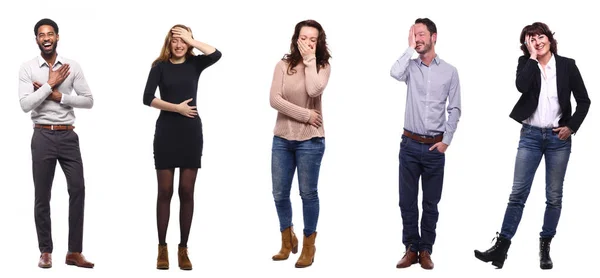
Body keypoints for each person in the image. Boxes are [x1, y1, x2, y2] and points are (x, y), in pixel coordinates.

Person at [474, 22, 591, 270]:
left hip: (558, 140)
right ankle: (501, 249)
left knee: (554, 196)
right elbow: (521, 87)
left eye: (540, 37)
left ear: (549, 38)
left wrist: (571, 126)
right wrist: (531, 58)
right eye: (531, 39)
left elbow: (584, 100)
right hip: (530, 136)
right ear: (527, 45)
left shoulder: (567, 65)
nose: (537, 42)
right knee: (518, 194)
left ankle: (545, 246)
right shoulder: (525, 64)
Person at [142, 24, 221, 270]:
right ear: (168, 42)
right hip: (166, 132)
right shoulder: (160, 67)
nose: (178, 45)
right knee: (165, 191)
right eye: (174, 40)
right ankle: (162, 248)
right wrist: (176, 108)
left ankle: (183, 248)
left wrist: (192, 40)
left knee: (186, 191)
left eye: (183, 41)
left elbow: (216, 54)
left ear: (189, 43)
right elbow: (147, 97)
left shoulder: (195, 64)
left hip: (190, 133)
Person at [18, 18, 95, 269]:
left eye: (50, 33)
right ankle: (45, 251)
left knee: (78, 189)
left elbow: (88, 101)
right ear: (37, 39)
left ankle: (74, 251)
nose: (46, 38)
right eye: (42, 35)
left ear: (58, 37)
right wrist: (50, 84)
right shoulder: (28, 68)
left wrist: (60, 96)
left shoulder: (73, 66)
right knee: (42, 195)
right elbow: (25, 105)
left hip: (68, 135)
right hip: (42, 136)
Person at [390, 18, 461, 270]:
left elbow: (455, 108)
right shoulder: (409, 67)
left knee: (430, 203)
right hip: (409, 144)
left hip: (434, 148)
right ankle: (410, 248)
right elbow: (393, 72)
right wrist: (409, 48)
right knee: (406, 201)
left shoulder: (450, 71)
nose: (418, 39)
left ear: (434, 37)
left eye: (421, 35)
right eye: (414, 35)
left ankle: (426, 250)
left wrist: (446, 141)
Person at [269, 19, 331, 268]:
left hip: (311, 141)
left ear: (319, 42)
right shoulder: (282, 65)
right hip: (282, 138)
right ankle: (286, 240)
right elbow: (274, 99)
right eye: (304, 38)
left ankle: (309, 246)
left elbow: (314, 90)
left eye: (313, 39)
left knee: (308, 193)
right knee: (279, 193)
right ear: (296, 39)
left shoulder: (322, 66)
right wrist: (306, 115)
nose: (307, 43)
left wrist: (309, 61)